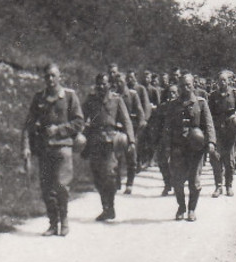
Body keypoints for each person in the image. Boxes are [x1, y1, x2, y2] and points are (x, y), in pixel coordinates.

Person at [21, 63, 84, 236]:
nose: (50, 79)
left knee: (62, 186)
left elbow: (79, 122)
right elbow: (28, 124)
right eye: (47, 76)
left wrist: (59, 129)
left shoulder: (69, 96)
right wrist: (26, 146)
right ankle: (52, 223)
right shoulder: (39, 98)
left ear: (59, 77)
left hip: (63, 147)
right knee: (47, 187)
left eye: (53, 76)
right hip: (44, 149)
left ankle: (64, 220)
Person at [163, 73, 216, 221]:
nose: (185, 88)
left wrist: (211, 142)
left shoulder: (201, 102)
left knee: (194, 181)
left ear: (194, 85)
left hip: (195, 148)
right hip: (178, 147)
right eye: (182, 85)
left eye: (188, 85)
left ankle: (192, 209)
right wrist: (167, 147)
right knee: (177, 181)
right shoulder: (173, 104)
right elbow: (167, 127)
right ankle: (181, 206)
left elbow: (209, 124)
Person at [83, 73, 135, 221]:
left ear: (109, 85)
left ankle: (110, 206)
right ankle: (105, 207)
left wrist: (131, 141)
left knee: (109, 175)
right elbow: (81, 117)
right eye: (98, 84)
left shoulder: (117, 100)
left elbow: (126, 121)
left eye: (103, 84)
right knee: (97, 176)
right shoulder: (91, 100)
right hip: (94, 140)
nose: (101, 86)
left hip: (111, 141)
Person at [208, 70, 236, 197]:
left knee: (230, 160)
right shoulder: (213, 96)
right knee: (215, 158)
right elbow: (208, 114)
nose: (222, 83)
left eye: (224, 80)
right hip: (217, 129)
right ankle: (218, 186)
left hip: (231, 129)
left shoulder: (235, 94)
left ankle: (229, 185)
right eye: (220, 80)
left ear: (229, 82)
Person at [115, 73, 145, 194]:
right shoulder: (114, 95)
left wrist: (141, 122)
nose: (118, 84)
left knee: (131, 156)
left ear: (125, 82)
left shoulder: (132, 95)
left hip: (131, 128)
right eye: (116, 82)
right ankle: (117, 181)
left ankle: (129, 183)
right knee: (116, 156)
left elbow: (139, 110)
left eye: (120, 82)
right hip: (117, 128)